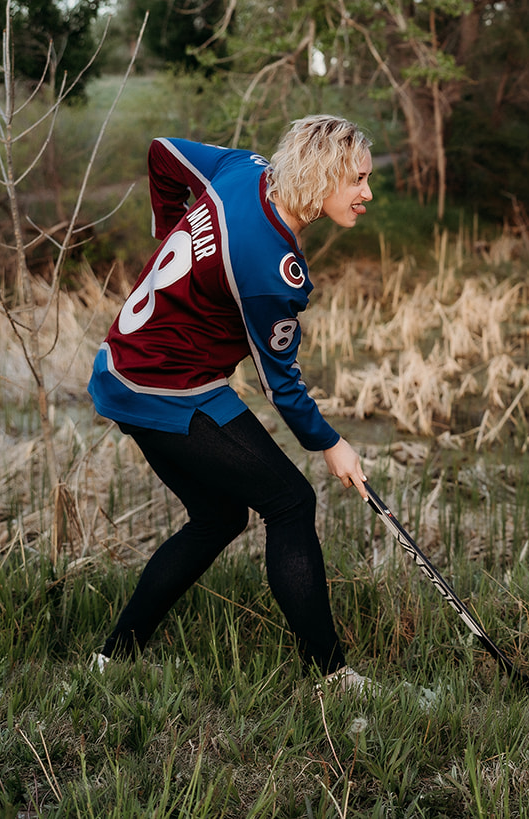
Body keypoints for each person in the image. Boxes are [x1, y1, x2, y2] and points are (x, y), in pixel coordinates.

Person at [88, 115, 373, 690]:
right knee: (290, 503)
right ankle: (334, 678)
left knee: (219, 517)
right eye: (357, 180)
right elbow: (279, 384)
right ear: (319, 180)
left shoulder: (242, 170)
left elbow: (163, 148)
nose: (368, 193)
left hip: (123, 367)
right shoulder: (269, 267)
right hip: (164, 384)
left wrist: (173, 232)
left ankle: (111, 658)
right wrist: (331, 444)